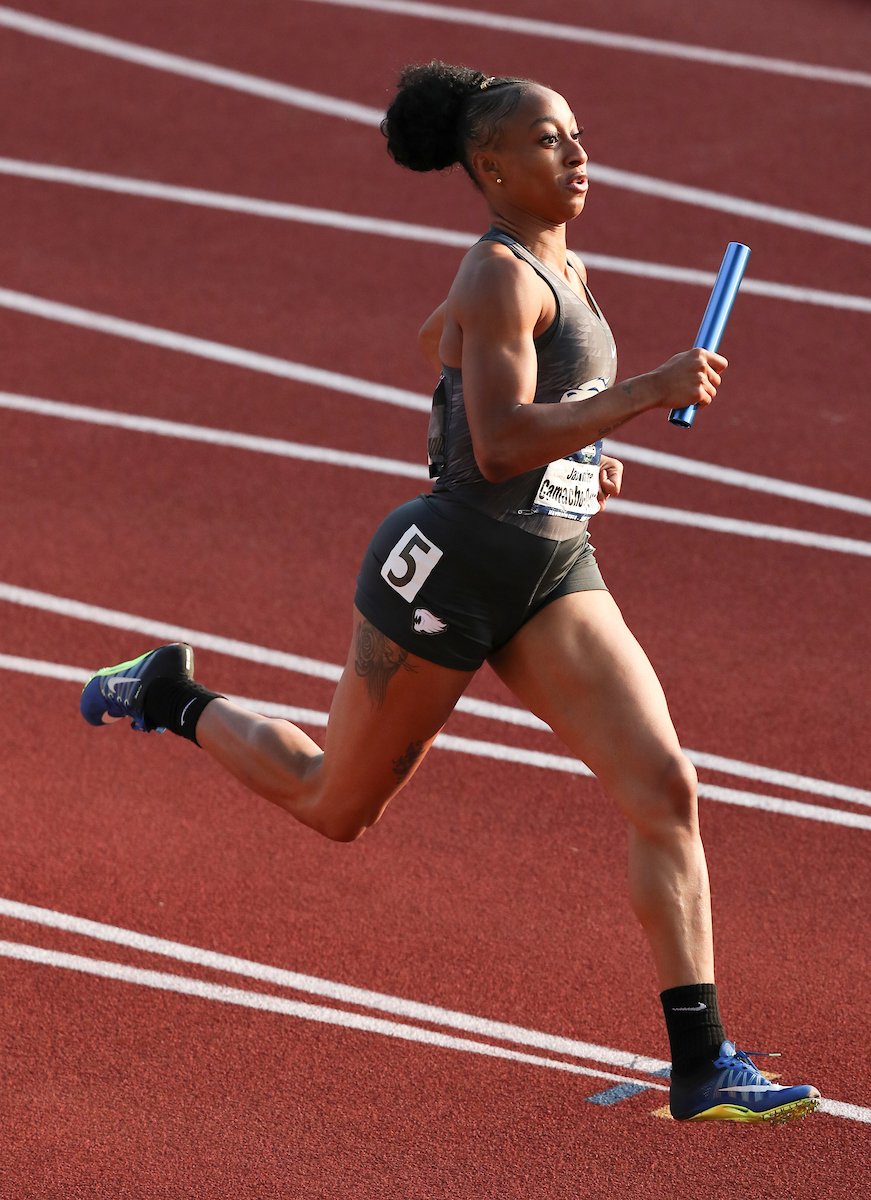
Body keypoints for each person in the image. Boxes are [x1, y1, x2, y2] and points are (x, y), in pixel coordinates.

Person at [80, 61, 819, 1124]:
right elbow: (500, 434)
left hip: (551, 565)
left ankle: (701, 1063)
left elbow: (444, 356)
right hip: (446, 572)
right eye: (550, 140)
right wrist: (635, 398)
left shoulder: (551, 268)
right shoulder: (500, 273)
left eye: (574, 134)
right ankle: (166, 695)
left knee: (665, 787)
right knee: (337, 806)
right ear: (489, 165)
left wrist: (577, 456)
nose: (576, 153)